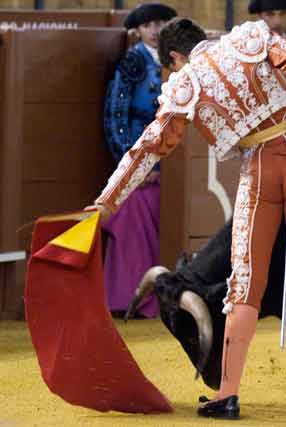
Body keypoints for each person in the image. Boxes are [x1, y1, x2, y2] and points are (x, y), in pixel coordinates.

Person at [87, 17, 286, 419]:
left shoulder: (187, 83)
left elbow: (150, 146)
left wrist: (107, 200)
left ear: (174, 57)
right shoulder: (247, 38)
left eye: (168, 68)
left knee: (244, 283)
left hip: (259, 171)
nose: (171, 75)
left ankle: (227, 395)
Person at [102, 3, 176, 318]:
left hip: (167, 164)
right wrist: (133, 167)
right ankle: (128, 299)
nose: (156, 31)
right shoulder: (132, 61)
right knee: (134, 229)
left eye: (161, 24)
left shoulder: (173, 59)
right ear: (138, 30)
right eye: (149, 25)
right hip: (140, 163)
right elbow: (115, 116)